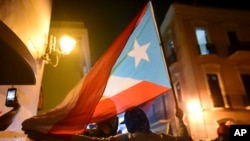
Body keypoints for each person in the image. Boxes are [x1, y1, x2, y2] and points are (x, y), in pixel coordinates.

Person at [24, 107, 191, 141]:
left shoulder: (127, 139)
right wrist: (180, 118)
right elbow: (185, 138)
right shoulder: (163, 138)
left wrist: (50, 133)